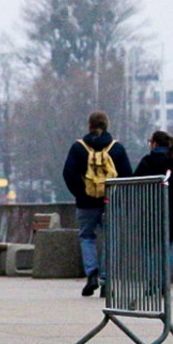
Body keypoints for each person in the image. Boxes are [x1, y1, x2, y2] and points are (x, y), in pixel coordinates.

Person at [63, 110, 133, 297]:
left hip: (86, 204)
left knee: (87, 236)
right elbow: (128, 176)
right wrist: (118, 198)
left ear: (89, 126)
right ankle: (106, 280)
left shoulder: (78, 148)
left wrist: (81, 192)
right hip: (110, 202)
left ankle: (91, 273)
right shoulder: (116, 148)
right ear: (106, 125)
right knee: (110, 238)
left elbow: (68, 173)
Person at [131, 129, 173, 277]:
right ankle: (165, 284)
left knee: (149, 250)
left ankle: (153, 283)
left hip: (149, 214)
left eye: (150, 142)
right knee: (168, 249)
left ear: (155, 144)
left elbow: (133, 185)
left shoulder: (147, 162)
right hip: (171, 215)